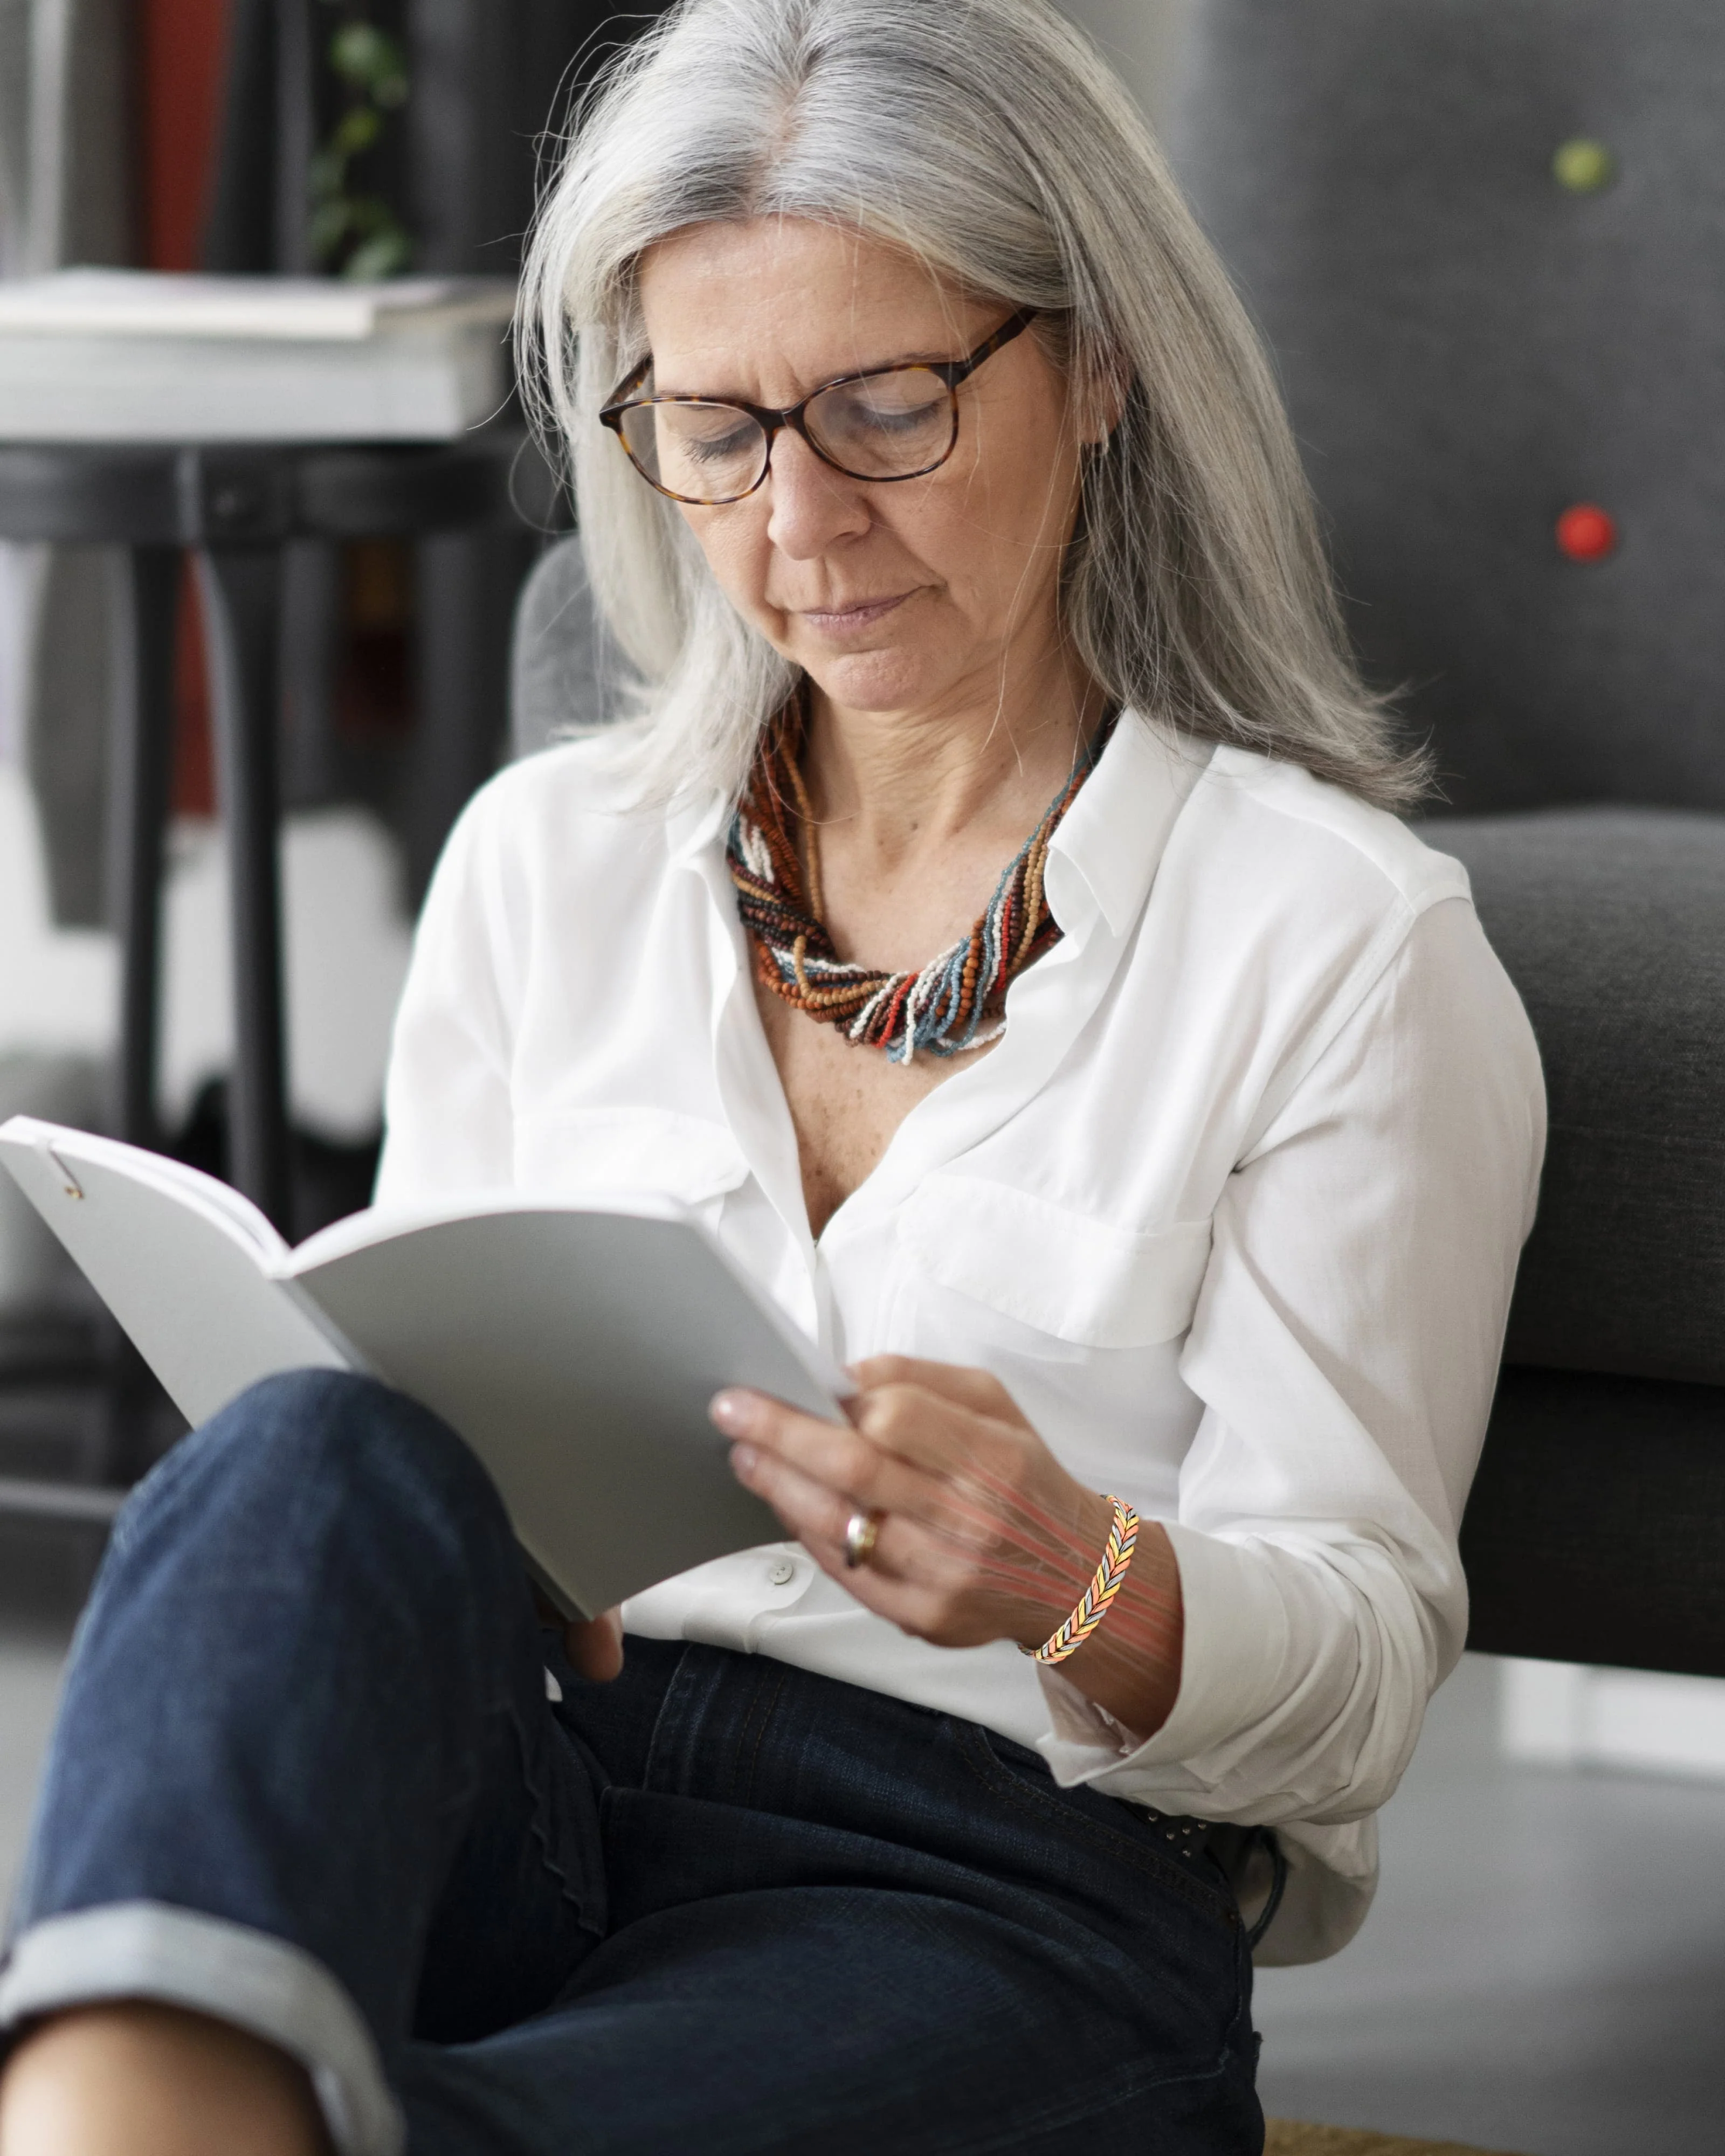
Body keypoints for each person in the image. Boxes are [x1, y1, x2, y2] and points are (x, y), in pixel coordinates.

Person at [0, 2, 1545, 2151]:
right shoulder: (548, 864)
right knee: (308, 1455)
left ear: (1093, 370)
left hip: (979, 1891)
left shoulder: (1335, 945)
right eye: (712, 429)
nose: (795, 517)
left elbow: (1357, 1686)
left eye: (883, 406)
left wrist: (1078, 1574)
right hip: (534, 1794)